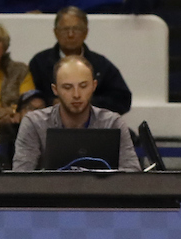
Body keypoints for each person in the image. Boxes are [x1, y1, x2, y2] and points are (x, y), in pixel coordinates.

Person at [12, 54, 140, 171]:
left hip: (102, 195)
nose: (76, 95)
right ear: (55, 90)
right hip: (49, 195)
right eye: (67, 87)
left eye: (83, 86)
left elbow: (132, 176)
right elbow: (21, 177)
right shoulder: (34, 123)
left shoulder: (113, 124)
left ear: (94, 86)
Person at [28, 6, 132, 114]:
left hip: (95, 126)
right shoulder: (39, 62)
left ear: (86, 33)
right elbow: (30, 98)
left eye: (76, 29)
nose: (70, 35)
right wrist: (52, 102)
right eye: (65, 29)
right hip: (49, 125)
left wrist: (87, 102)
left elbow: (123, 100)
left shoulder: (101, 64)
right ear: (55, 32)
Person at [0, 20, 35, 166]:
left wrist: (11, 111)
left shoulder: (20, 70)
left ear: (5, 45)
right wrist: (7, 111)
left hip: (12, 134)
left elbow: (28, 104)